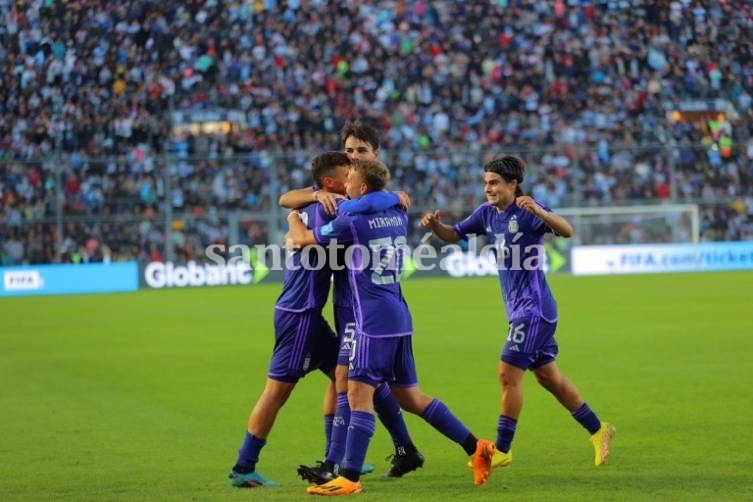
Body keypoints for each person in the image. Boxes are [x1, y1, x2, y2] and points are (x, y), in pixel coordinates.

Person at [287, 159, 496, 495]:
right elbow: (383, 199)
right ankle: (477, 447)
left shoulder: (352, 220)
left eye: (351, 177)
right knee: (411, 397)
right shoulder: (397, 210)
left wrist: (293, 218)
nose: (347, 183)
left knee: (357, 393)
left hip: (372, 321)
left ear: (363, 186)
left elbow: (303, 240)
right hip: (399, 316)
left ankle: (349, 478)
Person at [420, 155, 615, 470]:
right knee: (548, 377)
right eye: (486, 183)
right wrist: (435, 226)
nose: (489, 188)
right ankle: (598, 429)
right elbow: (453, 235)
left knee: (507, 373)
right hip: (519, 311)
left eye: (495, 182)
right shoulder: (486, 214)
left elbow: (567, 231)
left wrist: (539, 211)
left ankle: (503, 449)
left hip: (534, 310)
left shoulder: (527, 212)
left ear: (513, 184)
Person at [281, 121, 425, 481]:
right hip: (345, 297)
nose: (353, 156)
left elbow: (305, 227)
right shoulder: (336, 188)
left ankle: (338, 466)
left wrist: (296, 229)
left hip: (367, 303)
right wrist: (312, 200)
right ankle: (402, 450)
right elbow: (287, 197)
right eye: (349, 150)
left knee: (352, 379)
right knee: (354, 381)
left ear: (374, 155)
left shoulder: (373, 198)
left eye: (361, 151)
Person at [228, 151, 353, 488]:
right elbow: (297, 225)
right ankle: (243, 467)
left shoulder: (311, 204)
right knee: (277, 393)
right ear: (329, 182)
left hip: (308, 314)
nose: (352, 175)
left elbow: (289, 202)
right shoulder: (330, 207)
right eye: (347, 172)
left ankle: (337, 457)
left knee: (344, 376)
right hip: (299, 314)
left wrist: (295, 219)